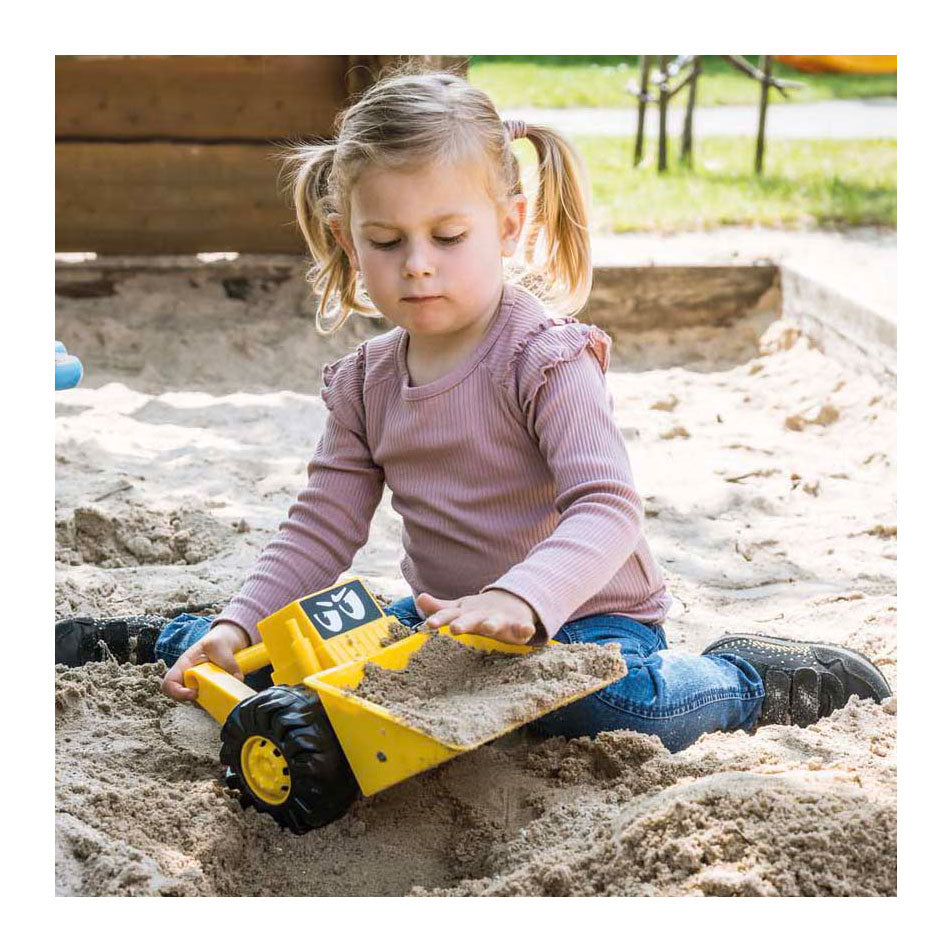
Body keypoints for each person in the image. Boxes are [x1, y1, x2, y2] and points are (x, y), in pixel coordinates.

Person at [56, 67, 890, 752]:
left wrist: (523, 600)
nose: (417, 265)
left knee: (599, 709)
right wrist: (243, 623)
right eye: (387, 242)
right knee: (307, 651)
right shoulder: (364, 382)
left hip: (584, 621)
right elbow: (320, 527)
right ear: (348, 240)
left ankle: (747, 680)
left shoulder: (546, 358)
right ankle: (177, 638)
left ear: (509, 225)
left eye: (448, 238)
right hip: (449, 626)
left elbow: (607, 509)